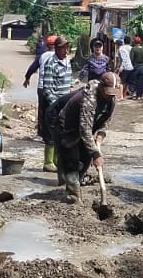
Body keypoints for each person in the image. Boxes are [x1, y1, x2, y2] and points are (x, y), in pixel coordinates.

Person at [53, 72, 120, 202]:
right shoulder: (89, 99)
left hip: (86, 129)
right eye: (108, 92)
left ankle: (70, 180)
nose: (110, 96)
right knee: (72, 162)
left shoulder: (111, 98)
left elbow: (106, 120)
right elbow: (85, 129)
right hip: (68, 128)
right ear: (101, 87)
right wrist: (96, 154)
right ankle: (73, 197)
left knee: (85, 161)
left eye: (113, 93)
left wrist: (101, 133)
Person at [38, 37, 74, 171]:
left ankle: (57, 160)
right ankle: (48, 162)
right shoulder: (50, 64)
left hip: (65, 105)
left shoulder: (67, 62)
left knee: (62, 133)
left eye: (67, 48)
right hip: (53, 105)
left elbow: (69, 81)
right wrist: (56, 104)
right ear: (58, 48)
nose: (66, 51)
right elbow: (47, 89)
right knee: (51, 133)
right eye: (64, 48)